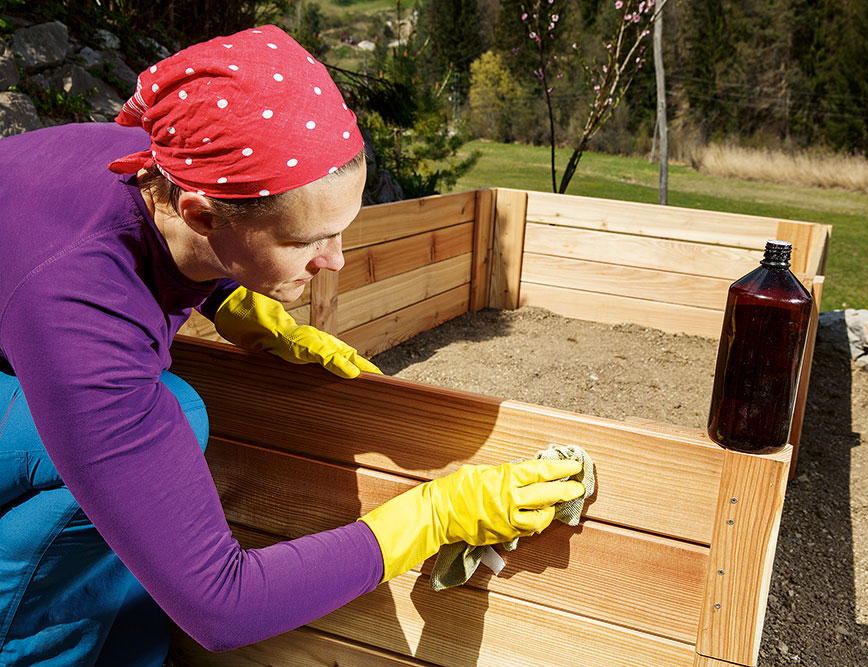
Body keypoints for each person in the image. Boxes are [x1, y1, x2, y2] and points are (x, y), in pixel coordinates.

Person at [0, 25, 584, 666]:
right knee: (166, 427)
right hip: (48, 328)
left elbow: (162, 249)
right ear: (202, 215)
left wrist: (227, 298)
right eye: (307, 242)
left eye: (340, 230)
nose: (333, 262)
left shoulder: (167, 160)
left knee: (164, 445)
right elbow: (224, 607)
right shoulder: (82, 312)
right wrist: (428, 518)